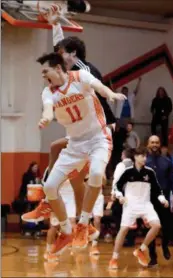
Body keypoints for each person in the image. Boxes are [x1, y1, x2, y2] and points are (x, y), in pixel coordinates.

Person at [22, 52, 126, 255]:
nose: (44, 76)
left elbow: (100, 88)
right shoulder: (48, 92)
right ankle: (67, 231)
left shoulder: (80, 77)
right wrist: (45, 119)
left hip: (98, 137)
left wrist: (111, 94)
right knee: (50, 187)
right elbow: (48, 110)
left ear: (58, 69)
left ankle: (84, 224)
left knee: (96, 174)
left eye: (46, 71)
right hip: (75, 144)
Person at [41, 7, 116, 216]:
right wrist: (55, 24)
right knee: (72, 173)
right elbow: (60, 48)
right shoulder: (72, 67)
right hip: (84, 128)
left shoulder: (84, 71)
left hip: (101, 128)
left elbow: (102, 96)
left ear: (72, 55)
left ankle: (75, 210)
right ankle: (82, 222)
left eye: (62, 53)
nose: (57, 57)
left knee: (62, 154)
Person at [109, 147, 168, 269]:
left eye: (145, 156)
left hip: (146, 204)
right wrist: (120, 196)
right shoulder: (128, 171)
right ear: (135, 157)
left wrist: (163, 199)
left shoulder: (150, 172)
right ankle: (114, 258)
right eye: (142, 156)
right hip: (130, 204)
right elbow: (117, 187)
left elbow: (157, 190)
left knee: (156, 225)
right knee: (123, 230)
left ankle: (141, 249)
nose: (144, 158)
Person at [146, 135, 173, 267]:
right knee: (151, 229)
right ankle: (152, 257)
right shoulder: (144, 162)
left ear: (159, 144)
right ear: (148, 144)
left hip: (164, 199)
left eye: (157, 142)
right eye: (152, 142)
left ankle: (165, 245)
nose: (154, 144)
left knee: (168, 227)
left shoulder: (167, 162)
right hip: (148, 201)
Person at [44, 179, 76, 262]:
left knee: (72, 225)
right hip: (57, 198)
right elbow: (47, 185)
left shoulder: (77, 167)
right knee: (54, 227)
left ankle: (68, 247)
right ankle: (48, 250)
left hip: (70, 199)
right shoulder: (52, 168)